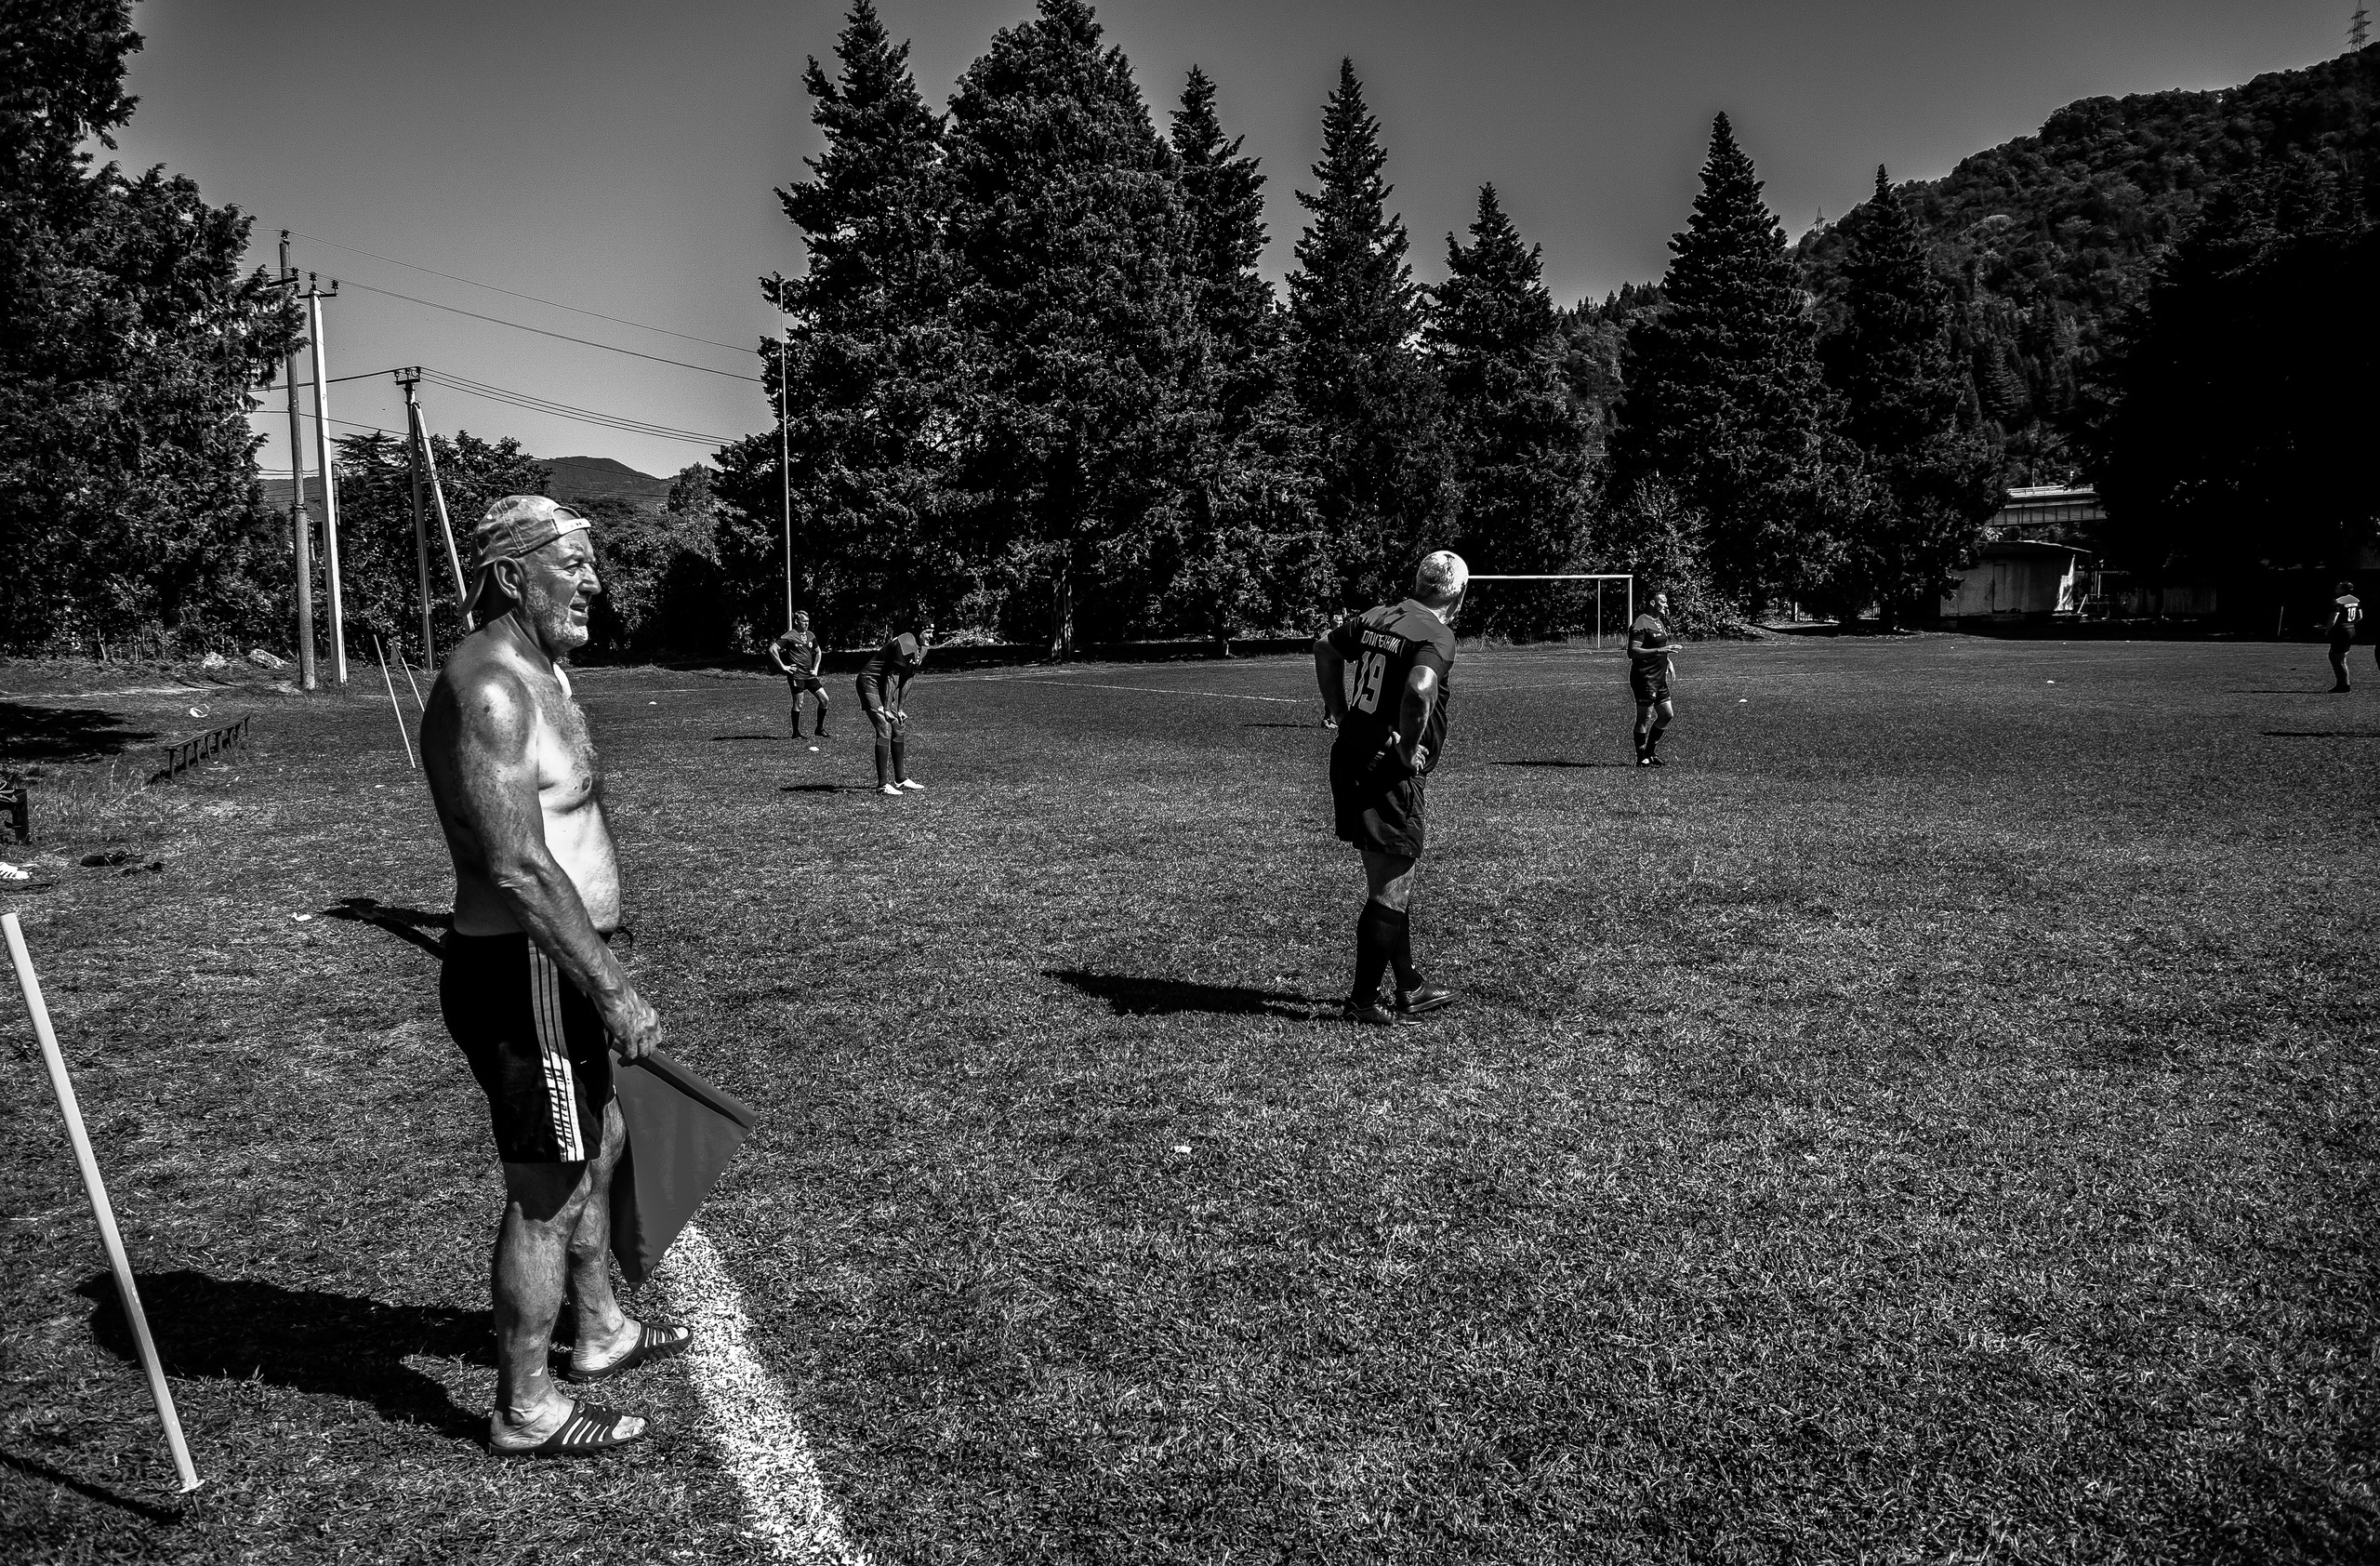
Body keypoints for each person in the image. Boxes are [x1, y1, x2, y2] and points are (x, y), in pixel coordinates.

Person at [422, 496, 687, 1459]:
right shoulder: (490, 686)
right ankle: (525, 1405)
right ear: (509, 574)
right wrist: (609, 982)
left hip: (560, 962)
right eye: (573, 563)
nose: (594, 581)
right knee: (550, 1184)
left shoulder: (547, 673)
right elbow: (518, 865)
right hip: (530, 969)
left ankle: (602, 1329)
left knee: (601, 1138)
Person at [1313, 552, 1465, 1026]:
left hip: (1351, 753)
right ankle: (1361, 1002)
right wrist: (1407, 749)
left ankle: (1410, 986)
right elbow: (1420, 688)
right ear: (1457, 595)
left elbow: (1325, 647)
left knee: (1388, 880)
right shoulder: (1436, 633)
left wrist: (1338, 710)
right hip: (1386, 769)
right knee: (1390, 889)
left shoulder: (1379, 615)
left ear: (1418, 581)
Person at [857, 617, 932, 796]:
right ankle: (882, 785)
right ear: (917, 631)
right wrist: (886, 708)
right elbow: (893, 676)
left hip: (884, 685)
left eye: (932, 632)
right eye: (927, 632)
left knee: (899, 727)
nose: (930, 636)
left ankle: (901, 780)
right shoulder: (905, 642)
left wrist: (899, 709)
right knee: (884, 727)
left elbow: (909, 677)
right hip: (870, 682)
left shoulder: (923, 649)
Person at [1627, 589, 1677, 766]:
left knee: (1666, 714)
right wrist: (1660, 651)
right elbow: (1632, 652)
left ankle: (1650, 753)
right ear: (1652, 603)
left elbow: (1659, 645)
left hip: (1659, 677)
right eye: (1663, 602)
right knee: (1644, 718)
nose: (1666, 605)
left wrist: (1667, 660)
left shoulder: (1658, 622)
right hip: (1645, 677)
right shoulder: (1641, 623)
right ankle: (1641, 758)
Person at [769, 611, 829, 737]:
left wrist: (816, 668)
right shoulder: (790, 635)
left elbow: (818, 652)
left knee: (824, 700)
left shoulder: (811, 635)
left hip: (809, 675)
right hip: (796, 675)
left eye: (808, 621)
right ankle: (796, 733)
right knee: (799, 704)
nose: (806, 624)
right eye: (804, 622)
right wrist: (783, 667)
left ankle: (819, 729)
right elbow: (773, 649)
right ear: (796, 622)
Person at [2327, 580, 2362, 693]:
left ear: (2343, 590)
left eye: (2338, 588)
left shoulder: (2338, 601)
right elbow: (2360, 616)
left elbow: (2334, 618)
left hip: (2341, 631)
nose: (2336, 589)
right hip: (2351, 629)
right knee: (2341, 658)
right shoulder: (2355, 600)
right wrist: (2350, 624)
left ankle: (2343, 685)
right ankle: (2343, 684)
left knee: (2337, 658)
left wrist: (2328, 630)